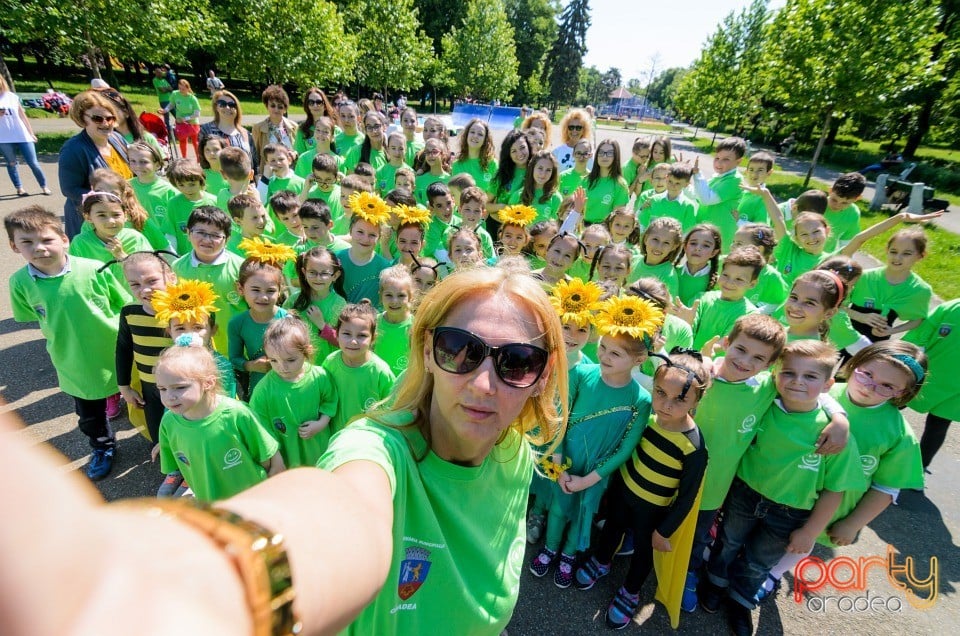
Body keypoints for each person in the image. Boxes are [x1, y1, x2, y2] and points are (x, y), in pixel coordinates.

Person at [317, 263, 567, 634]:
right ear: (428, 350)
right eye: (459, 349)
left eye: (517, 362)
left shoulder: (513, 453)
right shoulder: (376, 451)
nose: (484, 384)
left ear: (541, 377)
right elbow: (333, 511)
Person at [699, 340, 865, 636]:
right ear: (775, 374)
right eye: (788, 373)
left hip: (791, 512)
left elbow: (834, 490)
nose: (797, 382)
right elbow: (729, 374)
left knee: (759, 560)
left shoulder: (833, 435)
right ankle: (715, 582)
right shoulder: (763, 402)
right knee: (728, 542)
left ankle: (740, 600)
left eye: (810, 377)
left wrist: (810, 532)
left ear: (828, 384)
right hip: (744, 493)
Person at [530, 295, 659, 589]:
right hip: (564, 461)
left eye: (616, 354)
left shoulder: (641, 400)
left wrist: (589, 479)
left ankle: (569, 555)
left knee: (582, 513)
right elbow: (559, 419)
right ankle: (550, 548)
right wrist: (560, 465)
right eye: (602, 347)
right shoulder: (580, 373)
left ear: (639, 360)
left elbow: (625, 448)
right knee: (559, 507)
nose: (604, 356)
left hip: (596, 473)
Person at [574, 349, 708, 630]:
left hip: (654, 510)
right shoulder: (646, 416)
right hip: (624, 495)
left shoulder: (693, 446)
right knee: (612, 529)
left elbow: (687, 497)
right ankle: (601, 561)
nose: (666, 405)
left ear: (697, 400)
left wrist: (665, 530)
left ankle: (630, 591)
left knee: (643, 554)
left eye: (679, 399)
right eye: (660, 392)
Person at [6, 206, 133, 480]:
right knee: (90, 416)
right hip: (73, 361)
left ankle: (160, 440)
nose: (39, 248)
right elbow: (29, 315)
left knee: (141, 399)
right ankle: (103, 447)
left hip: (115, 353)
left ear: (64, 239)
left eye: (46, 239)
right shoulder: (19, 283)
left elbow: (122, 304)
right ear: (14, 246)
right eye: (27, 242)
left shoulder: (94, 269)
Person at [156, 343, 285, 502]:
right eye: (162, 389)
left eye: (179, 387)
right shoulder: (168, 423)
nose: (169, 396)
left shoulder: (236, 413)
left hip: (252, 500)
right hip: (213, 506)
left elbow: (267, 455)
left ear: (208, 383)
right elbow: (179, 465)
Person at [249, 316, 338, 468]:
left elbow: (329, 401)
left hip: (319, 451)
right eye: (273, 360)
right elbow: (258, 427)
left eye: (290, 360)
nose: (282, 367)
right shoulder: (263, 390)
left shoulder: (320, 376)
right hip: (288, 458)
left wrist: (321, 424)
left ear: (307, 351)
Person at [58, 90, 131, 238]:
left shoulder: (117, 138)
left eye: (110, 118)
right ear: (83, 119)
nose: (105, 123)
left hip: (120, 214)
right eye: (97, 119)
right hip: (92, 221)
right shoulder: (73, 149)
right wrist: (105, 200)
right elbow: (69, 189)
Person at [904, 298, 960, 471]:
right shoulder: (951, 308)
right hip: (934, 376)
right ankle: (919, 468)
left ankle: (867, 446)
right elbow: (919, 335)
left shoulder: (951, 307)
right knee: (938, 425)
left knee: (890, 403)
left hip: (928, 374)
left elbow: (919, 335)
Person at [0, 74, 51, 196]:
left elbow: (22, 116)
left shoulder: (11, 97)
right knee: (11, 163)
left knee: (33, 162)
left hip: (22, 134)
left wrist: (31, 133)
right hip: (4, 137)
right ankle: (19, 188)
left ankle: (44, 186)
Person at [692, 136, 746, 248]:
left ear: (738, 161)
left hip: (721, 235)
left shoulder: (734, 180)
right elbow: (699, 196)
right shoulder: (717, 177)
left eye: (726, 159)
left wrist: (697, 176)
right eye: (717, 158)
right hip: (707, 233)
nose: (719, 163)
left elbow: (707, 199)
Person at [199, 90, 257, 173]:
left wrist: (255, 181)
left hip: (244, 182)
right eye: (222, 104)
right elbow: (202, 159)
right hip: (217, 182)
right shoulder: (206, 129)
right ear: (216, 107)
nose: (227, 107)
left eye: (232, 104)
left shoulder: (245, 133)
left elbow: (254, 162)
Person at [162, 80, 201, 160]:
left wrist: (185, 119)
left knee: (195, 142)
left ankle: (199, 160)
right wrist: (165, 110)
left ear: (188, 88)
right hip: (180, 123)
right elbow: (171, 104)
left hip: (193, 123)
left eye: (183, 89)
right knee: (182, 142)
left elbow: (197, 114)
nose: (181, 91)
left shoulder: (193, 99)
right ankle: (184, 159)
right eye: (180, 88)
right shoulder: (175, 94)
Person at [152, 66, 175, 140]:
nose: (160, 74)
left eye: (160, 72)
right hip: (163, 101)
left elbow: (171, 89)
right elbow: (162, 90)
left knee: (177, 115)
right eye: (158, 72)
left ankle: (179, 131)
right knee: (167, 118)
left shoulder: (164, 80)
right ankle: (168, 135)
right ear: (155, 73)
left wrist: (167, 89)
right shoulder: (155, 80)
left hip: (171, 100)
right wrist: (167, 89)